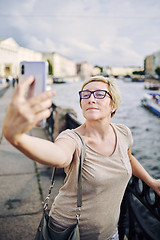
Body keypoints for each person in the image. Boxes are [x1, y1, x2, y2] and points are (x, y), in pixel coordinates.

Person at [2, 75, 160, 240]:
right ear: (81, 103)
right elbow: (59, 155)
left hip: (110, 233)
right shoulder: (72, 138)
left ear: (113, 104)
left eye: (99, 94)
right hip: (70, 232)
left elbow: (128, 158)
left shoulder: (123, 133)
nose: (91, 99)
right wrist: (17, 138)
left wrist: (151, 182)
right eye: (85, 94)